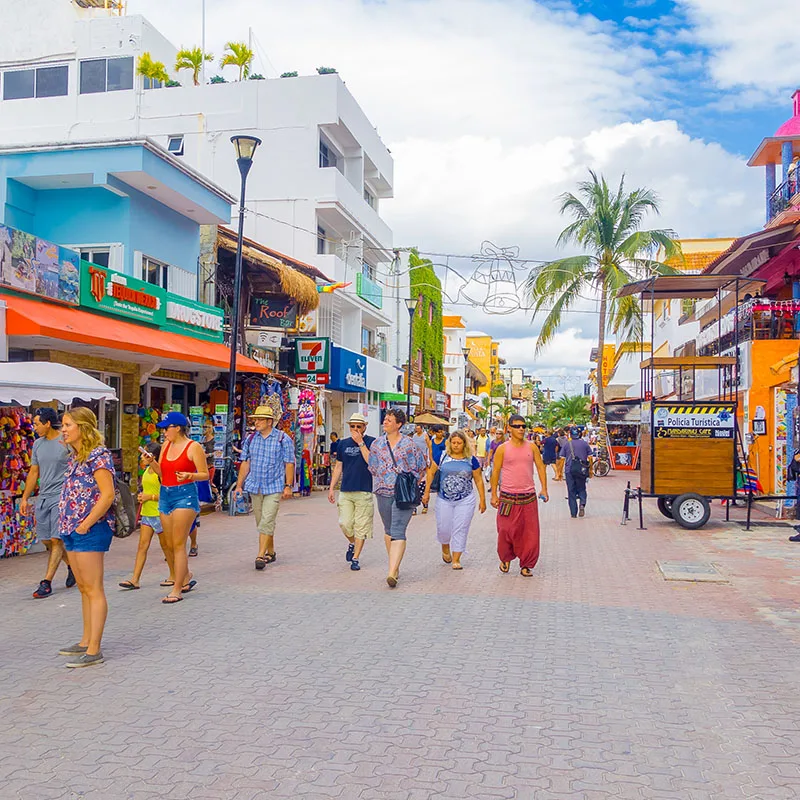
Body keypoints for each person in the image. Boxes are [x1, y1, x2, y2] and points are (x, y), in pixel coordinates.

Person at [56, 407, 116, 668]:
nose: (63, 429)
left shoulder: (98, 456)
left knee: (93, 588)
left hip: (89, 529)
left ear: (83, 426)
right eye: (63, 425)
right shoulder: (76, 457)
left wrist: (85, 524)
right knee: (83, 588)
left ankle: (94, 649)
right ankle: (85, 640)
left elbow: (108, 495)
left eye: (68, 424)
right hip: (71, 527)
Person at [142, 411, 208, 604]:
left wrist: (190, 475)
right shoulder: (166, 446)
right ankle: (185, 576)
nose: (164, 432)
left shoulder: (193, 447)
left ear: (178, 428)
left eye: (166, 428)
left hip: (185, 495)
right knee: (169, 543)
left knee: (178, 544)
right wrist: (151, 461)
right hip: (166, 494)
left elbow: (204, 474)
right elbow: (162, 472)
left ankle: (177, 589)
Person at [368, 408, 427, 588]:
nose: (385, 422)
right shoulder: (377, 444)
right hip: (382, 491)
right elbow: (372, 466)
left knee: (398, 529)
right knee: (388, 529)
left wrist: (410, 480)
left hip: (403, 493)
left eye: (389, 420)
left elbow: (422, 466)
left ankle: (392, 572)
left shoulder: (410, 444)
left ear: (399, 424)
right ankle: (394, 565)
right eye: (385, 419)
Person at [234, 405, 295, 570]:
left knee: (267, 520)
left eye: (260, 419)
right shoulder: (250, 439)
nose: (256, 422)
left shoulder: (283, 439)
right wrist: (239, 486)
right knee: (262, 521)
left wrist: (288, 486)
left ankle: (260, 555)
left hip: (274, 486)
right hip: (255, 486)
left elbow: (289, 463)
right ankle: (271, 551)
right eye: (255, 419)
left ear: (270, 421)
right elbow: (245, 463)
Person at [21, 408, 73, 599]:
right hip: (43, 496)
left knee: (56, 539)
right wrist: (26, 498)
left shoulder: (65, 441)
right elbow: (34, 472)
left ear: (48, 423)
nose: (34, 428)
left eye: (37, 424)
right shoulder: (37, 445)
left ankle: (47, 582)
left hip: (61, 496)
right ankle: (72, 567)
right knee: (46, 541)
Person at [491, 415, 548, 577]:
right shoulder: (502, 448)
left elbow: (540, 467)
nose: (521, 429)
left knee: (530, 533)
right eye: (517, 426)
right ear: (509, 428)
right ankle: (505, 558)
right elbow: (495, 471)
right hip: (507, 497)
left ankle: (526, 564)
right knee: (505, 530)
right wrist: (494, 494)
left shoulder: (532, 447)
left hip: (528, 497)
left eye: (523, 426)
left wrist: (544, 488)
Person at [422, 430, 486, 569]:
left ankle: (456, 559)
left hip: (465, 499)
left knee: (461, 528)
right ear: (450, 443)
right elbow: (431, 473)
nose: (456, 445)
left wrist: (483, 500)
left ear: (464, 444)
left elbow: (479, 480)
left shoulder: (471, 459)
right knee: (443, 528)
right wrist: (426, 493)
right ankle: (445, 546)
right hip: (444, 498)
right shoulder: (442, 456)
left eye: (459, 443)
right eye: (454, 442)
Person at [118, 444, 171, 590]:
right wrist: (142, 496)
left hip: (159, 513)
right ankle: (135, 579)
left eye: (144, 454)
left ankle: (176, 575)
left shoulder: (160, 472)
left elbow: (168, 495)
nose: (142, 457)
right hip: (147, 514)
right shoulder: (147, 470)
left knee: (166, 547)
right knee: (142, 546)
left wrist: (151, 496)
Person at [327, 413, 375, 571]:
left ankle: (356, 557)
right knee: (345, 523)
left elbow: (371, 462)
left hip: (364, 490)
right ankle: (352, 543)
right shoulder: (342, 444)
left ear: (364, 427)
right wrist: (332, 487)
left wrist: (360, 443)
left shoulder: (371, 442)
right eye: (352, 426)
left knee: (361, 526)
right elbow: (339, 466)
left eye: (358, 426)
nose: (355, 429)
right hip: (346, 490)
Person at [563, 426, 593, 518]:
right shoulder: (585, 444)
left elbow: (561, 457)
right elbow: (590, 457)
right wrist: (590, 469)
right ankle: (582, 504)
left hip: (569, 470)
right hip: (582, 470)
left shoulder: (567, 444)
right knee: (582, 488)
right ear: (579, 434)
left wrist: (559, 472)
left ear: (570, 434)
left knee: (571, 491)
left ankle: (573, 513)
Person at [411, 423, 432, 513]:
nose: (417, 430)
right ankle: (414, 507)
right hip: (415, 460)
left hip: (424, 459)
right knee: (414, 487)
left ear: (422, 429)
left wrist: (429, 458)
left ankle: (425, 505)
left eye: (419, 428)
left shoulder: (425, 435)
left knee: (423, 487)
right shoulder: (414, 436)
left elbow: (429, 446)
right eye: (416, 428)